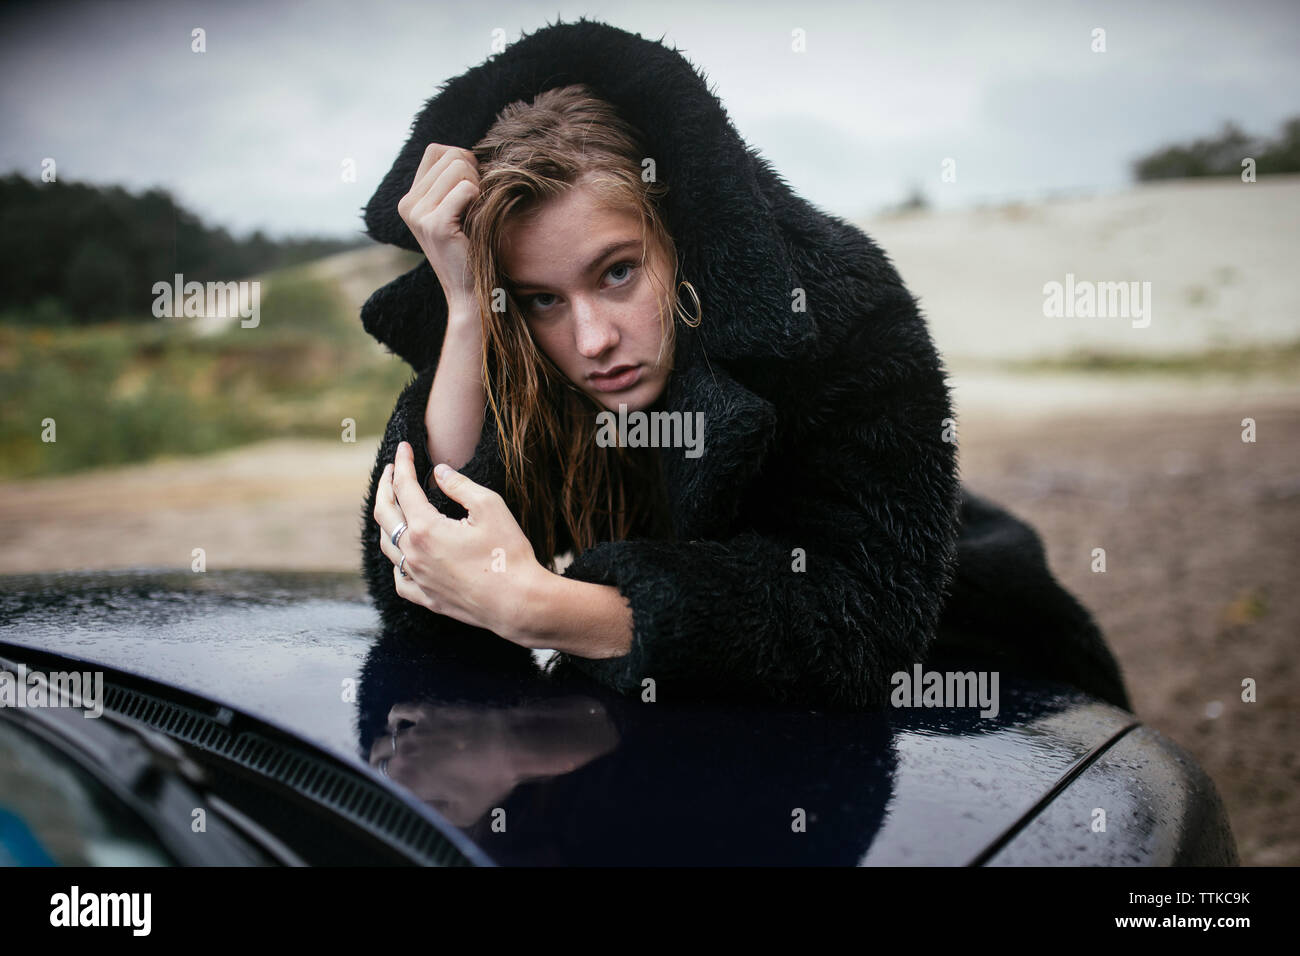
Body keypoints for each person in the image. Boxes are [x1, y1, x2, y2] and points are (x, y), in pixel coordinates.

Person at [360, 18, 1131, 712]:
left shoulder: (842, 310)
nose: (592, 339)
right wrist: (468, 309)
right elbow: (433, 580)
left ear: (675, 234)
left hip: (990, 674)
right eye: (541, 299)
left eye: (618, 272)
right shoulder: (522, 343)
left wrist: (540, 610)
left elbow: (858, 618)